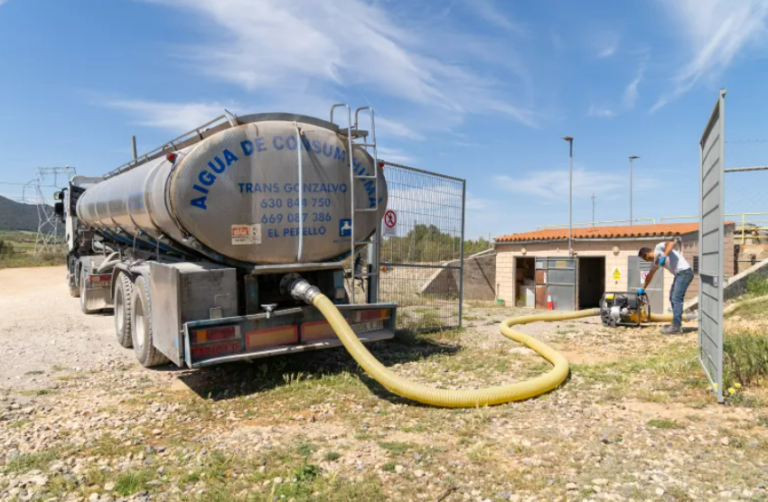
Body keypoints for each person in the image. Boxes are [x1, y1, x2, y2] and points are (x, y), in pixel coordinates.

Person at [637, 241, 694, 334]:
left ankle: (676, 326)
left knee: (676, 298)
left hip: (685, 272)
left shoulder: (658, 247)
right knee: (672, 297)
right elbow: (650, 275)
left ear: (646, 255)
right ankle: (676, 323)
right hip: (679, 274)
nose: (646, 261)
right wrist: (643, 288)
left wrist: (664, 255)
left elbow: (671, 243)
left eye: (645, 259)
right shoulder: (655, 262)